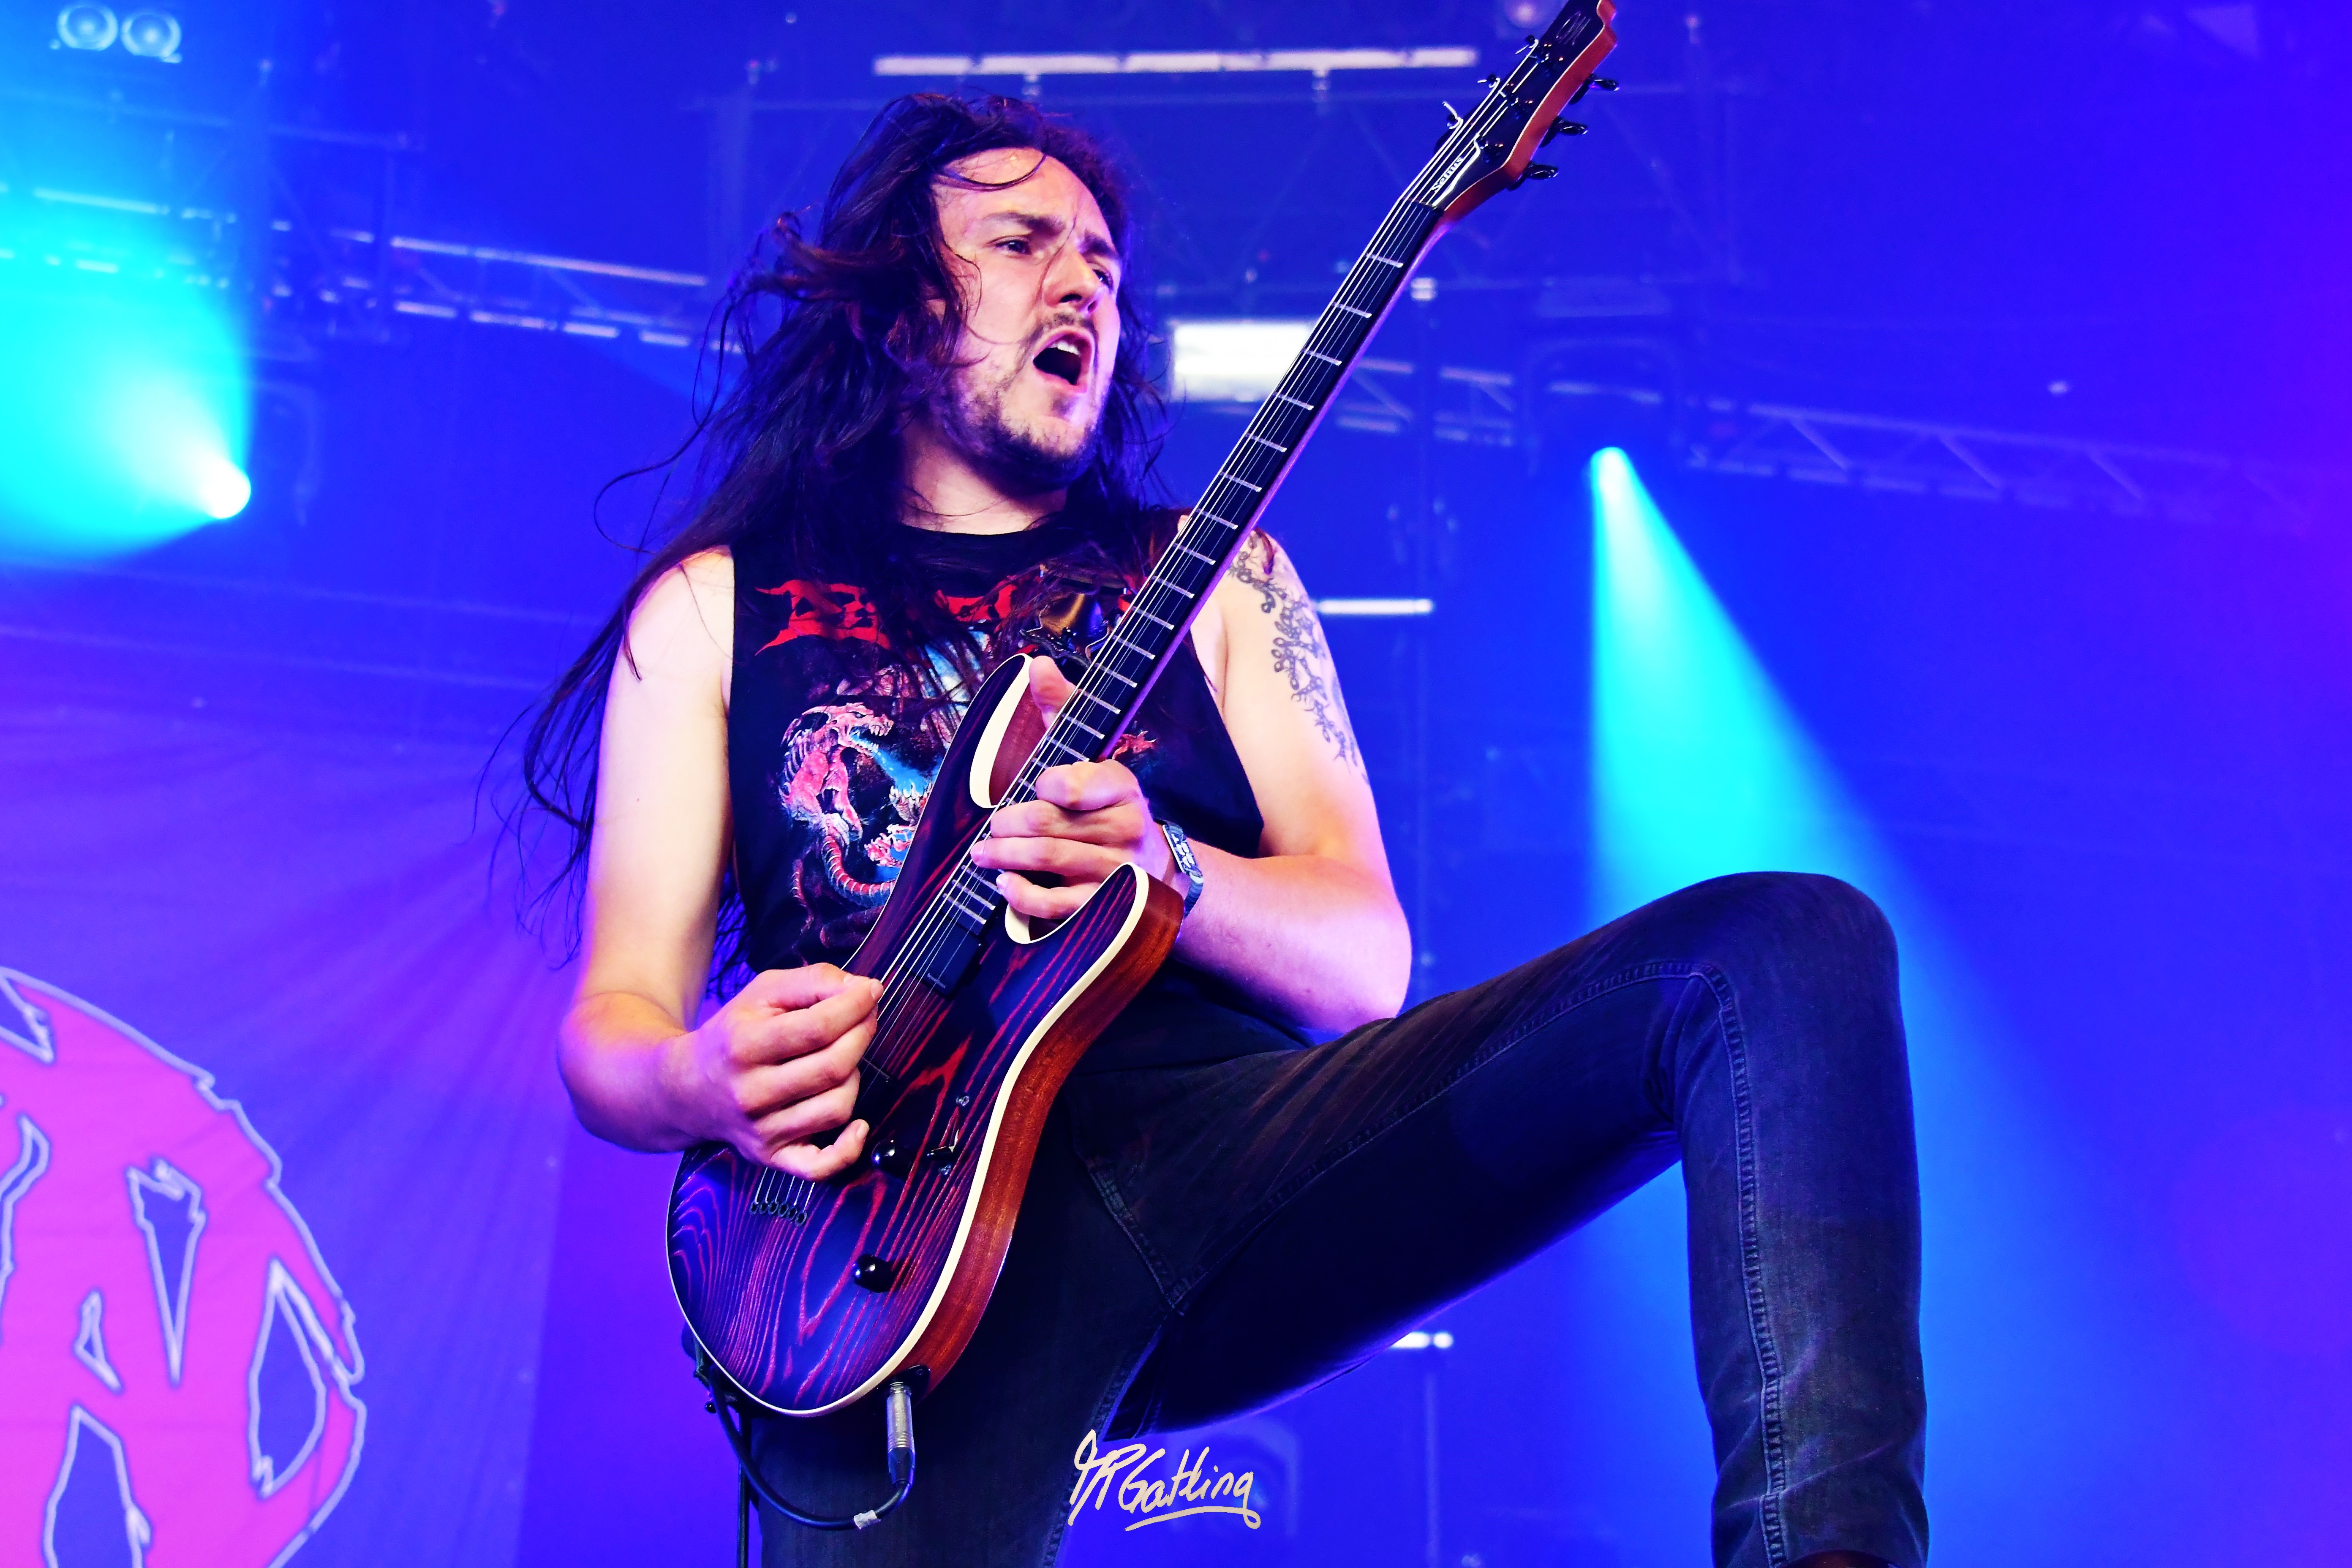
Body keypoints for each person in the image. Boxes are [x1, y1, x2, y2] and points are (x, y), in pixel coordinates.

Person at [521, 94, 1926, 1568]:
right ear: (900, 303)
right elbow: (613, 1024)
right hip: (885, 1245)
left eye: (1104, 266)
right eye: (1023, 243)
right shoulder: (714, 609)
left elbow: (1366, 962)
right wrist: (698, 1078)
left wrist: (1168, 869)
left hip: (1229, 1158)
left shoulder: (1226, 579)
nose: (1083, 286)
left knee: (1786, 945)